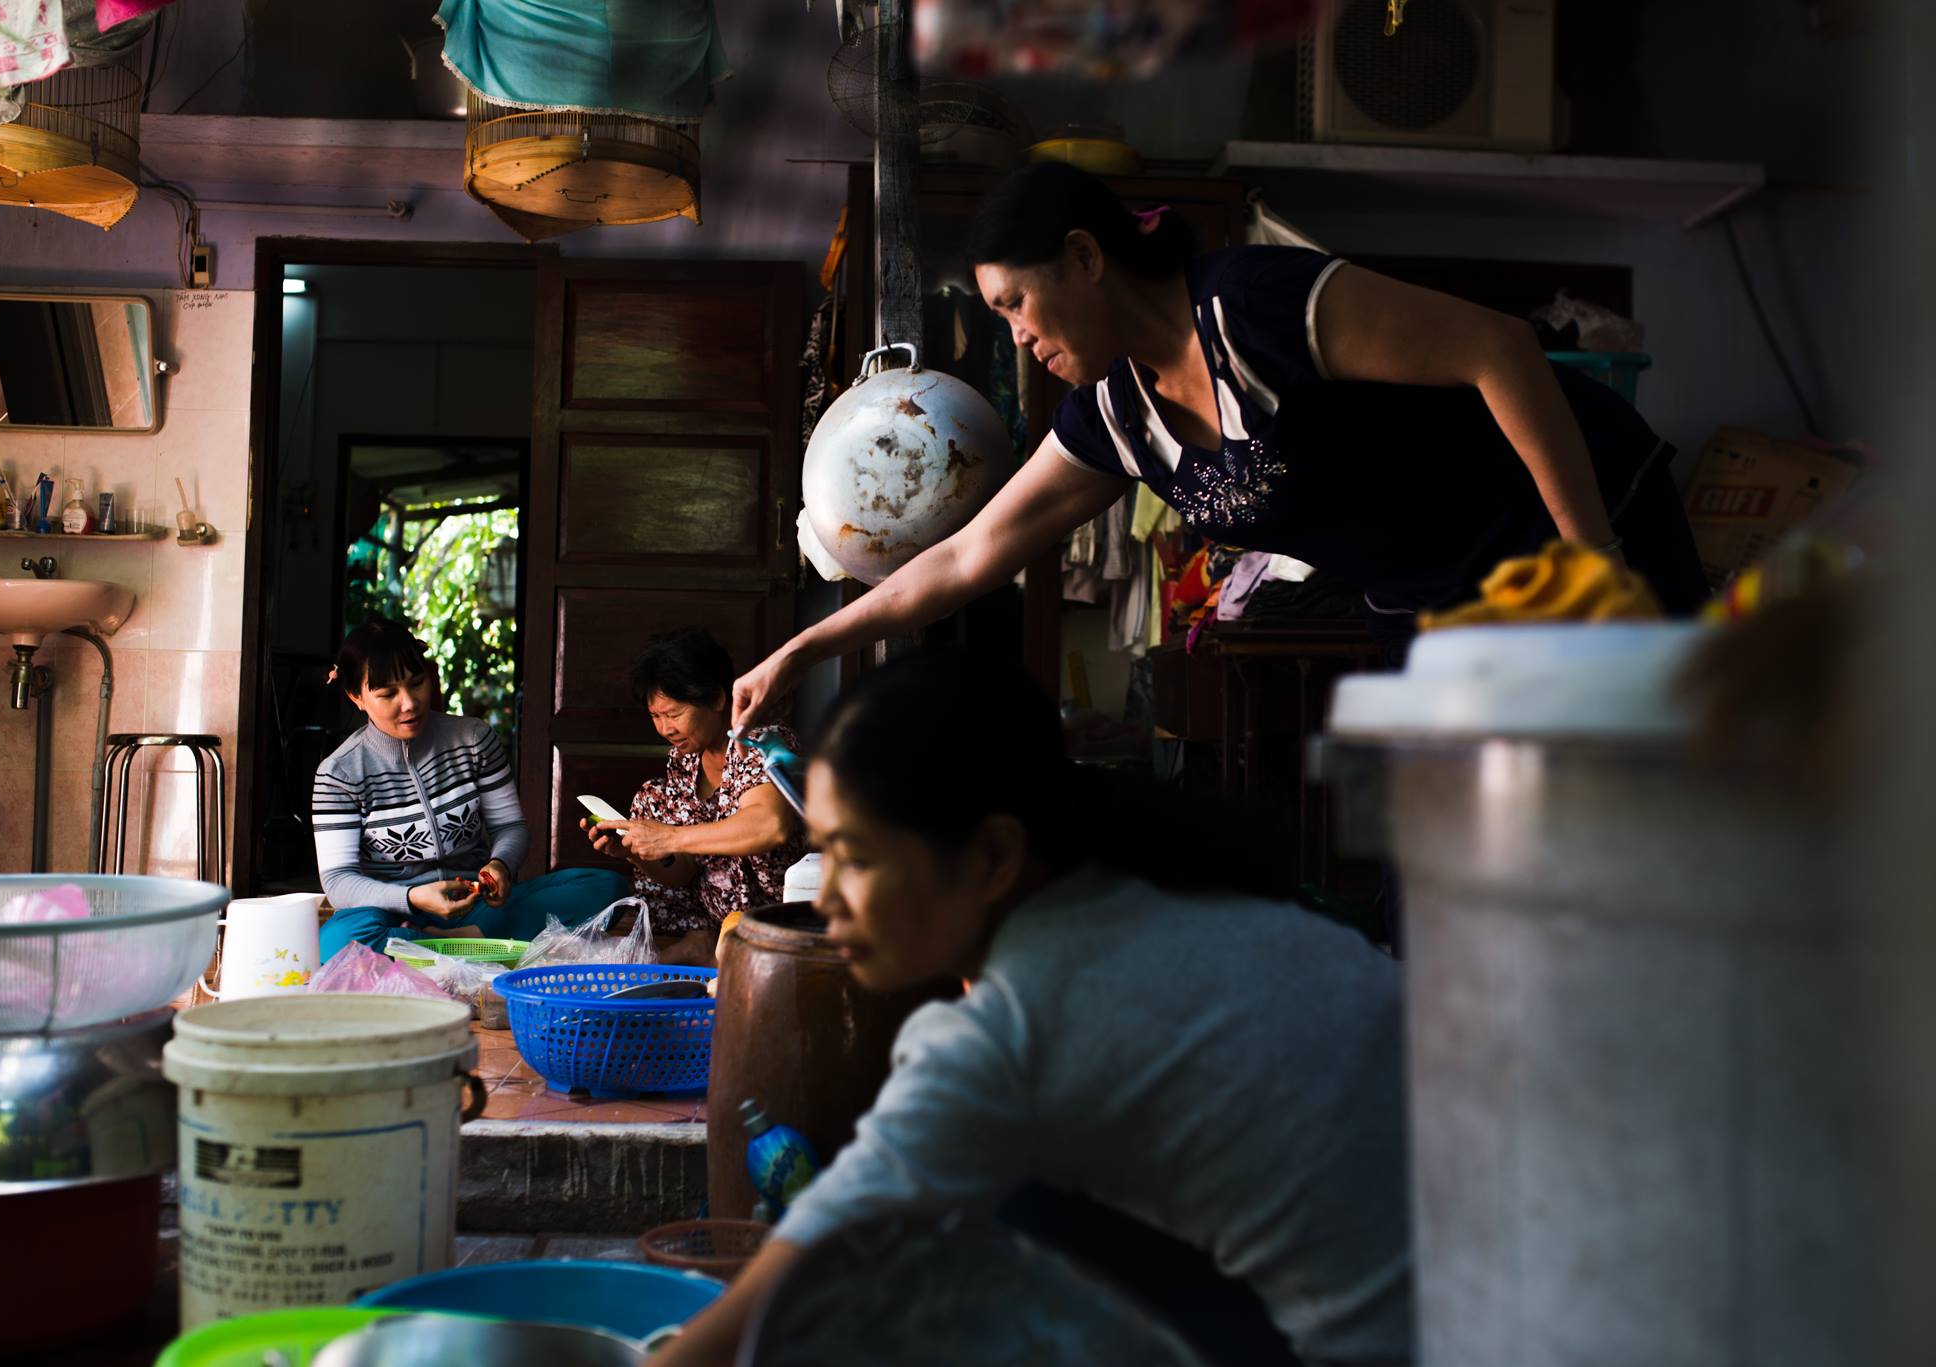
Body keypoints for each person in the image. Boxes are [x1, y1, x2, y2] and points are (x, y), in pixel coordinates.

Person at [732, 161, 1708, 725]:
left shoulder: (1252, 307)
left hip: (1572, 528)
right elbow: (965, 555)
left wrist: (1593, 561)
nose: (1017, 336)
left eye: (1017, 305)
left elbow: (1498, 349)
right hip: (1433, 605)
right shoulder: (1115, 418)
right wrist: (803, 648)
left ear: (1084, 256)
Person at [650, 652, 1412, 1367]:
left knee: (917, 1260)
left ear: (991, 857)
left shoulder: (1011, 1031)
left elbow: (815, 1249)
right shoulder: (1155, 888)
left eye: (860, 856)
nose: (832, 895)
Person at [312, 616, 626, 961]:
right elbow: (339, 882)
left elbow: (510, 828)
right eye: (388, 694)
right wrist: (413, 897)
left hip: (476, 907)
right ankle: (474, 948)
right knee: (336, 940)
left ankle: (439, 947)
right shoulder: (339, 773)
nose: (410, 703)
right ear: (357, 697)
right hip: (394, 913)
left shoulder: (473, 739)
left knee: (607, 889)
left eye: (416, 683)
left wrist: (500, 866)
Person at [583, 627, 806, 966]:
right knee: (650, 800)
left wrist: (669, 837)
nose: (665, 728)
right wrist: (636, 851)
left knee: (698, 826)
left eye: (674, 714)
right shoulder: (684, 761)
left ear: (716, 699)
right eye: (656, 716)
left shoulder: (761, 742)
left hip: (777, 912)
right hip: (715, 914)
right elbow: (683, 873)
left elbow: (769, 826)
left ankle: (733, 950)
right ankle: (703, 939)